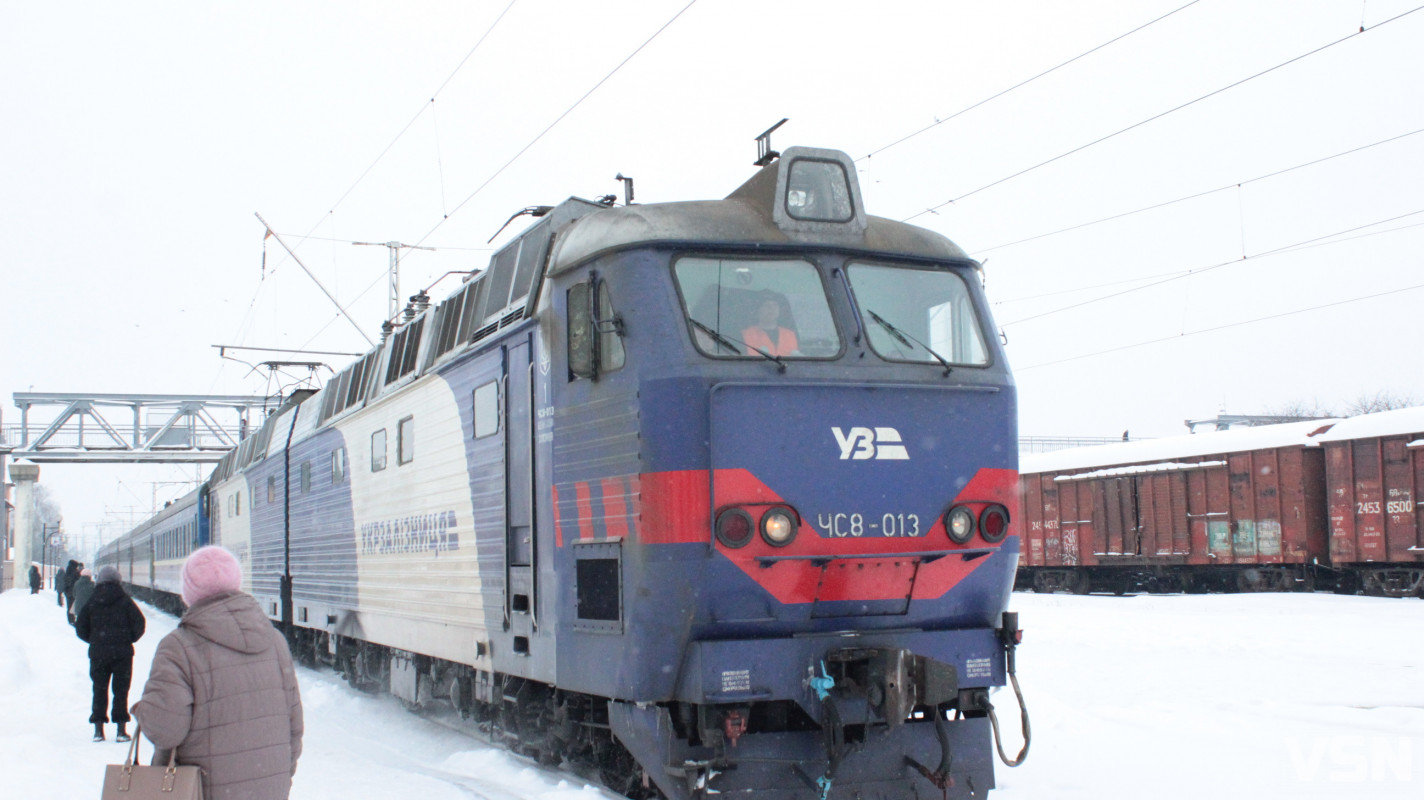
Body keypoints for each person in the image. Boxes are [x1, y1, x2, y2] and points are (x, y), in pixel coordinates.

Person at [133, 545, 303, 799]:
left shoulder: (177, 647)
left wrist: (142, 710)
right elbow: (294, 726)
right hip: (270, 789)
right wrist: (279, 777)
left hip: (203, 790)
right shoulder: (275, 641)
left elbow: (166, 729)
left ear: (188, 592)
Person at [75, 565, 146, 742]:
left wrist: (94, 640)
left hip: (98, 653)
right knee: (121, 691)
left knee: (99, 689)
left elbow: (80, 627)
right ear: (118, 580)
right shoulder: (125, 600)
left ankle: (98, 730)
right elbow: (139, 623)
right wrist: (128, 639)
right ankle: (121, 730)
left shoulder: (92, 600)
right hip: (122, 654)